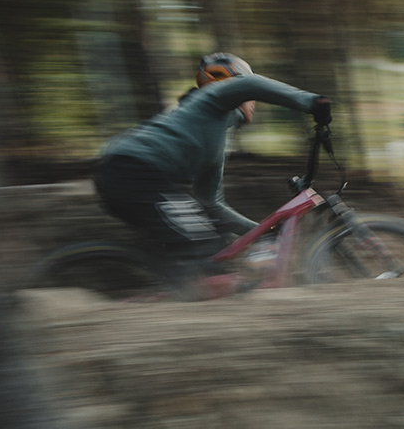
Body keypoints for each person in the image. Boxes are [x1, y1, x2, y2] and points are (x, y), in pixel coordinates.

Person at [93, 52, 329, 299]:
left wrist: (261, 231)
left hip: (128, 178)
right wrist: (312, 103)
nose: (253, 103)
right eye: (250, 98)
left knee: (207, 246)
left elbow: (211, 204)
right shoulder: (210, 101)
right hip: (134, 174)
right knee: (205, 246)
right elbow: (249, 84)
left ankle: (183, 299)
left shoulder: (212, 138)